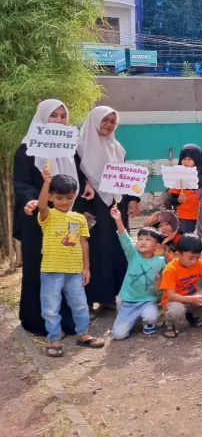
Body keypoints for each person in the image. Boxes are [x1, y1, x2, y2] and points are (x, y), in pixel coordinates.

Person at [14, 99, 93, 335]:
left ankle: (67, 320)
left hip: (67, 220)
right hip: (38, 219)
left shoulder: (69, 148)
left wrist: (86, 185)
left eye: (62, 116)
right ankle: (37, 320)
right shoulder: (27, 149)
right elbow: (21, 182)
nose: (58, 120)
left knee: (67, 266)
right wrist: (31, 199)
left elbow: (75, 178)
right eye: (53, 115)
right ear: (42, 117)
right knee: (39, 268)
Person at [36, 169, 104, 357]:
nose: (64, 202)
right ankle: (54, 339)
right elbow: (41, 205)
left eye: (68, 197)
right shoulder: (48, 216)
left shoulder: (78, 218)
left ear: (74, 196)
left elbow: (83, 243)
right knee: (51, 308)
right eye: (59, 198)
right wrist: (46, 182)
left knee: (80, 304)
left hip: (74, 271)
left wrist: (86, 268)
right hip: (51, 270)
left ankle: (83, 334)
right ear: (51, 197)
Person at [77, 106, 138, 310]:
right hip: (90, 206)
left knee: (117, 248)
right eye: (105, 120)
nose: (109, 125)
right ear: (95, 120)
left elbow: (124, 176)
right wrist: (80, 203)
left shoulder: (117, 148)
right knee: (94, 250)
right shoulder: (78, 147)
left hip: (115, 205)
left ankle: (112, 296)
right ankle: (89, 298)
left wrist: (133, 199)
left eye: (113, 121)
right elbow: (73, 177)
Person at [109, 208, 165, 340]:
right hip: (128, 301)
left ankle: (148, 323)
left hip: (147, 300)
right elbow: (125, 239)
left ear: (157, 246)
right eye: (140, 239)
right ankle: (129, 317)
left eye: (148, 239)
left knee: (151, 316)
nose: (142, 242)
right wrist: (118, 219)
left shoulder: (161, 262)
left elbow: (165, 281)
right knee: (118, 335)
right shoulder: (133, 255)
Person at [160, 234, 202, 338]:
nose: (194, 261)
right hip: (174, 301)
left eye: (197, 257)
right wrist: (191, 299)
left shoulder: (199, 263)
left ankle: (193, 315)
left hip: (192, 296)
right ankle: (169, 324)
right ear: (177, 255)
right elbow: (171, 295)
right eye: (191, 258)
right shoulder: (170, 269)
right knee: (176, 311)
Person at [169, 144, 202, 234]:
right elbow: (171, 199)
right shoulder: (178, 176)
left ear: (197, 159)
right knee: (187, 240)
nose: (186, 162)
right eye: (184, 159)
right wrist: (178, 200)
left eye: (189, 159)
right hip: (184, 217)